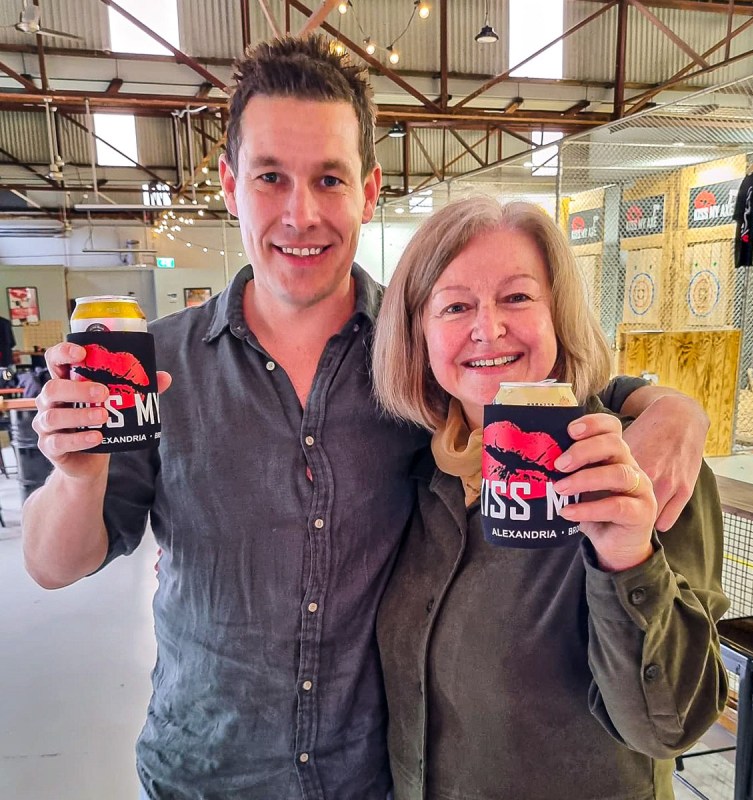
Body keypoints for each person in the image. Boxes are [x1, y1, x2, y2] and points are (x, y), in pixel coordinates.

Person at [23, 37, 711, 800]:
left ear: (369, 189)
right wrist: (76, 476)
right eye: (271, 178)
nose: (302, 213)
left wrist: (671, 408)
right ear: (229, 185)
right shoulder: (159, 366)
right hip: (204, 771)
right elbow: (53, 565)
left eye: (329, 178)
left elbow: (544, 379)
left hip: (368, 779)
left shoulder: (418, 357)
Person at [372, 195, 729, 800]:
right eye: (455, 306)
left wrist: (629, 560)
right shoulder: (419, 473)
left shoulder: (635, 469)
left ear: (558, 316)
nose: (489, 327)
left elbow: (669, 726)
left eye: (517, 297)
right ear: (418, 336)